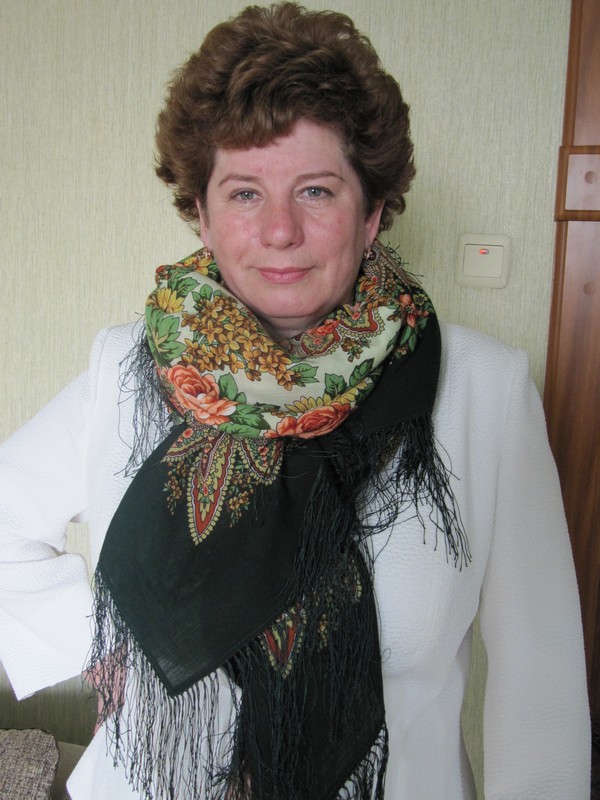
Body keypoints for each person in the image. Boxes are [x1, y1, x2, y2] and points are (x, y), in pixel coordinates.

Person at [0, 3, 590, 799]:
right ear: (201, 215)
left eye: (315, 190)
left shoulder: (483, 389)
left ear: (372, 213)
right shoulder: (125, 368)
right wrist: (106, 640)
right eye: (244, 193)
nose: (280, 230)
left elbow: (539, 688)